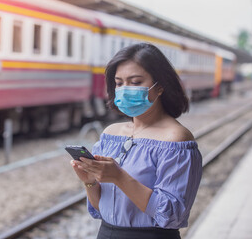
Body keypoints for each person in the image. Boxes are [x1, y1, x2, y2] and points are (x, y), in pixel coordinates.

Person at [70, 43, 202, 239]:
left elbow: (172, 215)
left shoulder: (176, 140)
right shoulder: (111, 134)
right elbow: (100, 208)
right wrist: (89, 182)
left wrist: (119, 177)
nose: (124, 90)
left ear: (160, 87)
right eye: (119, 83)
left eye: (135, 82)